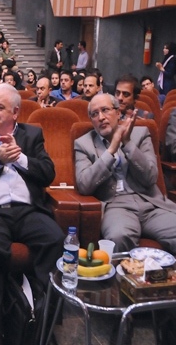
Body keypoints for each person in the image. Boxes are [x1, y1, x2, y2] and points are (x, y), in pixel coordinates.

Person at [0, 83, 64, 345]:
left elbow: (48, 173)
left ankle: (44, 319)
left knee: (55, 238)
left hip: (29, 210)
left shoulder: (32, 135)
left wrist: (19, 158)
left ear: (16, 112)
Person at [75, 94, 176, 253]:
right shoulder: (83, 144)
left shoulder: (140, 134)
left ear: (117, 113)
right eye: (94, 114)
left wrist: (127, 143)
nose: (101, 117)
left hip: (150, 203)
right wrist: (111, 151)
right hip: (116, 206)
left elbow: (151, 177)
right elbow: (84, 185)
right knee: (118, 237)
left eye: (105, 110)